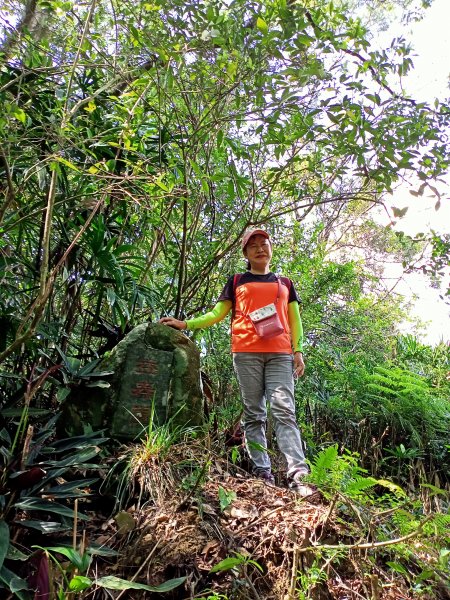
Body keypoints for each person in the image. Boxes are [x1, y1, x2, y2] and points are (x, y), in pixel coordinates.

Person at [160, 228, 313, 496]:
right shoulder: (237, 281)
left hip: (280, 354)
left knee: (284, 410)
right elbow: (217, 314)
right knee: (254, 412)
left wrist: (298, 351)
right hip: (246, 352)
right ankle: (262, 470)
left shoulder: (285, 283)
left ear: (271, 248)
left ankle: (298, 474)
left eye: (263, 244)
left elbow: (295, 320)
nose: (259, 248)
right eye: (252, 245)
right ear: (245, 252)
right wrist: (185, 324)